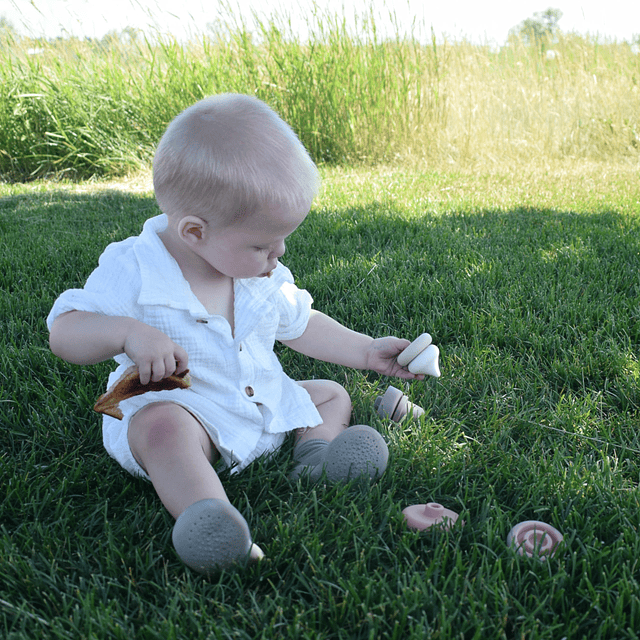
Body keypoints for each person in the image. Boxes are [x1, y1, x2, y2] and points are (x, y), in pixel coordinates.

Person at [47, 93, 423, 574]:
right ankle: (210, 518)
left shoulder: (257, 271)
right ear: (194, 233)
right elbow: (66, 330)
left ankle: (316, 457)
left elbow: (301, 323)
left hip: (254, 403)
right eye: (262, 244)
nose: (278, 253)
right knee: (159, 429)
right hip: (186, 406)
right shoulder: (136, 268)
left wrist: (367, 351)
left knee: (329, 395)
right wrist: (126, 332)